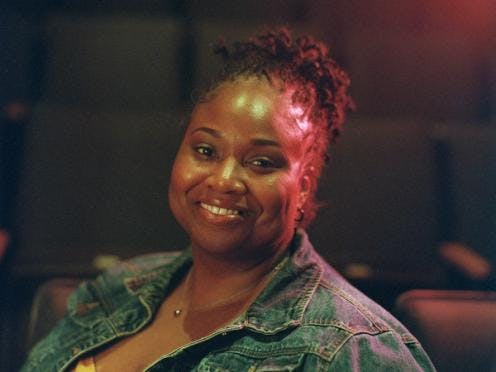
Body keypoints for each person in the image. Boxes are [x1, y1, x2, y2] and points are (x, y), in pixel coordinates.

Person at [21, 28, 435, 371]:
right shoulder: (116, 289)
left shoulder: (353, 349)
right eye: (205, 151)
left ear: (304, 184)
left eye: (260, 162)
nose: (223, 180)